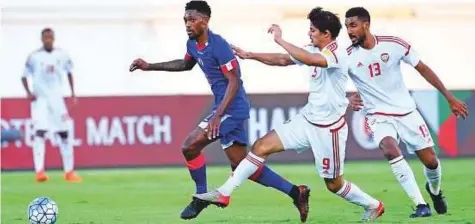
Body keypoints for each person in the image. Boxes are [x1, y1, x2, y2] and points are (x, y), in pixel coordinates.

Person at [194, 7, 385, 222]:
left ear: (326, 34)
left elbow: (312, 60)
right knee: (260, 147)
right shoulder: (313, 48)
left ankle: (374, 205)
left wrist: (280, 39)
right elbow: (285, 59)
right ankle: (224, 193)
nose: (309, 34)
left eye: (312, 30)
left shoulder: (337, 54)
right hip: (306, 120)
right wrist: (251, 55)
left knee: (334, 185)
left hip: (329, 130)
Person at [129, 0, 309, 221]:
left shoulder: (220, 46)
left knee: (189, 146)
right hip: (223, 108)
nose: (187, 24)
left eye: (192, 19)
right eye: (185, 19)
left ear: (205, 21)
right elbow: (185, 64)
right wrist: (150, 66)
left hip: (233, 108)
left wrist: (217, 115)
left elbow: (234, 81)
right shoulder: (193, 44)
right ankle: (296, 192)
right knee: (242, 165)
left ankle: (200, 197)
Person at [344, 7, 469, 218]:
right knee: (390, 150)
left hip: (407, 112)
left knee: (431, 161)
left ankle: (435, 191)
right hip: (377, 115)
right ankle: (421, 204)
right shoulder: (346, 56)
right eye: (346, 26)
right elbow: (331, 82)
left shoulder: (393, 44)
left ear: (366, 25)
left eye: (353, 25)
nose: (349, 31)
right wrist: (345, 99)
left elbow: (422, 68)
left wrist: (449, 97)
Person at [21, 27, 81, 183]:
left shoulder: (62, 55)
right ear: (42, 39)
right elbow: (23, 76)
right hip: (40, 100)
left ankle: (69, 172)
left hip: (57, 99)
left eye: (50, 37)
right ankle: (39, 171)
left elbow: (69, 72)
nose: (48, 39)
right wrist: (28, 92)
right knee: (39, 133)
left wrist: (73, 93)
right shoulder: (34, 57)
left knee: (64, 133)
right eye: (45, 37)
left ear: (53, 38)